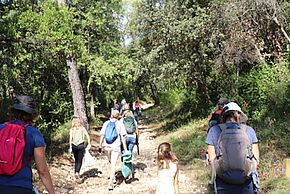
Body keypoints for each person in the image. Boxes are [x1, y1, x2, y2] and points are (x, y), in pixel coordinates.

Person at [0, 96, 55, 194]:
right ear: (32, 114)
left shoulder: (1, 128)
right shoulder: (34, 133)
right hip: (22, 187)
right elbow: (42, 170)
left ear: (12, 111)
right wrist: (52, 192)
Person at [206, 102, 260, 194]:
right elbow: (256, 159)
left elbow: (211, 159)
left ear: (223, 116)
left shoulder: (214, 130)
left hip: (223, 182)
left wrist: (216, 177)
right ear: (239, 116)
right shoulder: (249, 130)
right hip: (245, 182)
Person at [98, 110, 128, 191]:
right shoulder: (119, 123)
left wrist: (100, 146)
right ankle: (110, 182)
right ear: (118, 116)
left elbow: (102, 135)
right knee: (113, 164)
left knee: (110, 162)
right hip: (115, 146)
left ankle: (112, 177)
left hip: (106, 146)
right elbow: (123, 137)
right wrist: (125, 149)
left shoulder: (106, 123)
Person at [69, 117, 91, 183]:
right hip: (81, 146)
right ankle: (77, 173)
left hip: (74, 146)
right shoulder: (82, 128)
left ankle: (76, 172)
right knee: (80, 160)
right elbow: (87, 136)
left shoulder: (71, 129)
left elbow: (70, 139)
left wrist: (70, 147)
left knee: (76, 160)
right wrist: (89, 143)